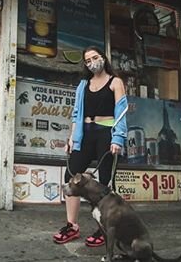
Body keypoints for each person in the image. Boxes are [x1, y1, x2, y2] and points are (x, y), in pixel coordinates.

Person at [53, 46, 128, 247]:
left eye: (95, 57)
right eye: (87, 60)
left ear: (103, 58)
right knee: (71, 177)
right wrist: (71, 138)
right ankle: (72, 226)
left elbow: (121, 111)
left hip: (107, 133)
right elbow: (76, 113)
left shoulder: (115, 82)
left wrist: (118, 138)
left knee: (105, 182)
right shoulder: (83, 85)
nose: (92, 62)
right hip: (84, 133)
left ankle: (104, 228)